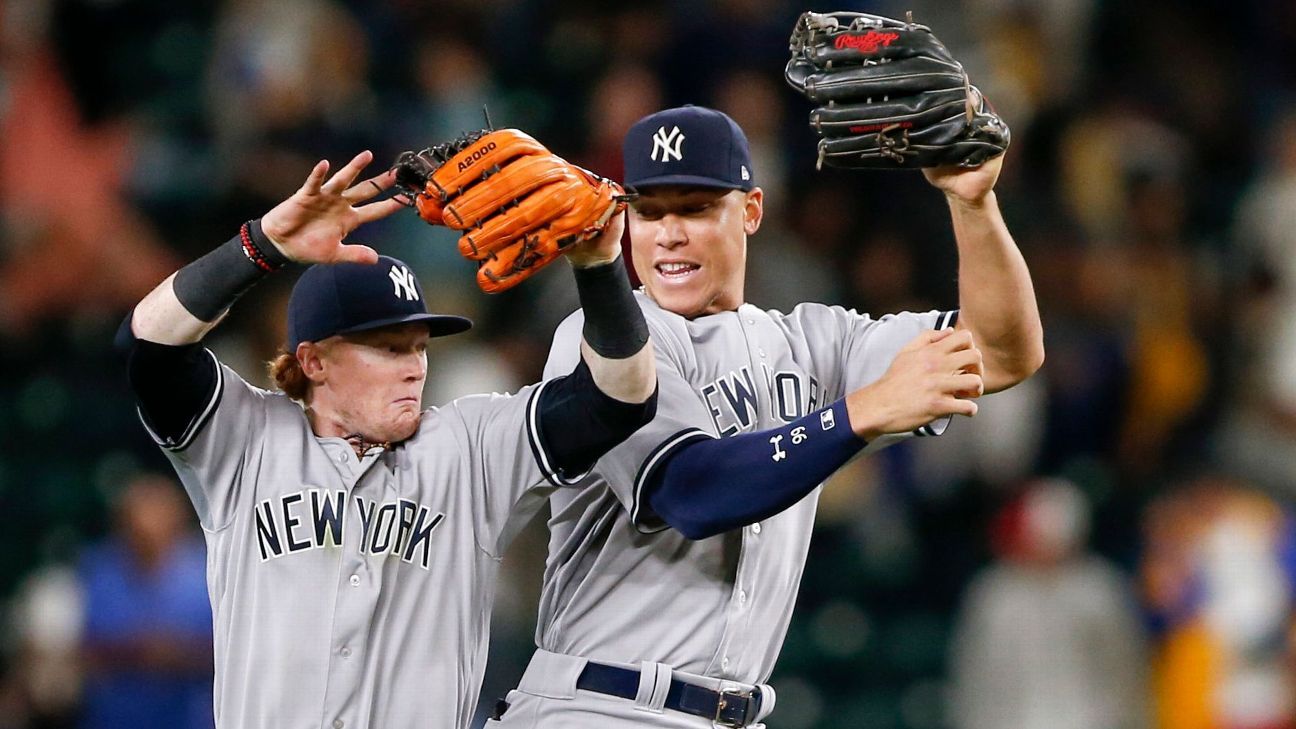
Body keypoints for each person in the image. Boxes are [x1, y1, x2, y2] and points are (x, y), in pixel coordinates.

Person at [489, 105, 1044, 728]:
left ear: (750, 211)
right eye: (648, 211)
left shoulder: (814, 342)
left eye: (695, 208)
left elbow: (1000, 353)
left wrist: (974, 204)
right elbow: (691, 491)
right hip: (598, 706)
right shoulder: (607, 339)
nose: (668, 233)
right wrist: (859, 413)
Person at [116, 149, 658, 729]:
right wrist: (263, 245)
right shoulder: (246, 440)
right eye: (388, 347)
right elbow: (147, 345)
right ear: (314, 361)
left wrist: (600, 266)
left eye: (420, 346)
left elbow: (618, 398)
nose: (414, 367)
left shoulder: (471, 452)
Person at [78, 473, 214, 729]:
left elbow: (233, 650)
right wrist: (137, 651)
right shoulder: (99, 568)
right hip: (115, 716)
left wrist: (179, 654)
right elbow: (83, 650)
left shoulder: (208, 567)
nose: (149, 525)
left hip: (191, 716)